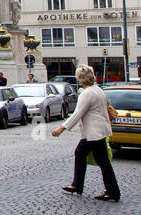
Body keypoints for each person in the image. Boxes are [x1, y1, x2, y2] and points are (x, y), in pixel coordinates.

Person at [51, 64, 120, 202]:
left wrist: (61, 128)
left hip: (94, 133)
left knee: (103, 161)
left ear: (80, 79)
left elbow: (77, 114)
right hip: (96, 131)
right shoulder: (98, 90)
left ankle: (113, 191)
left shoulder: (87, 93)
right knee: (80, 154)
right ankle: (77, 184)